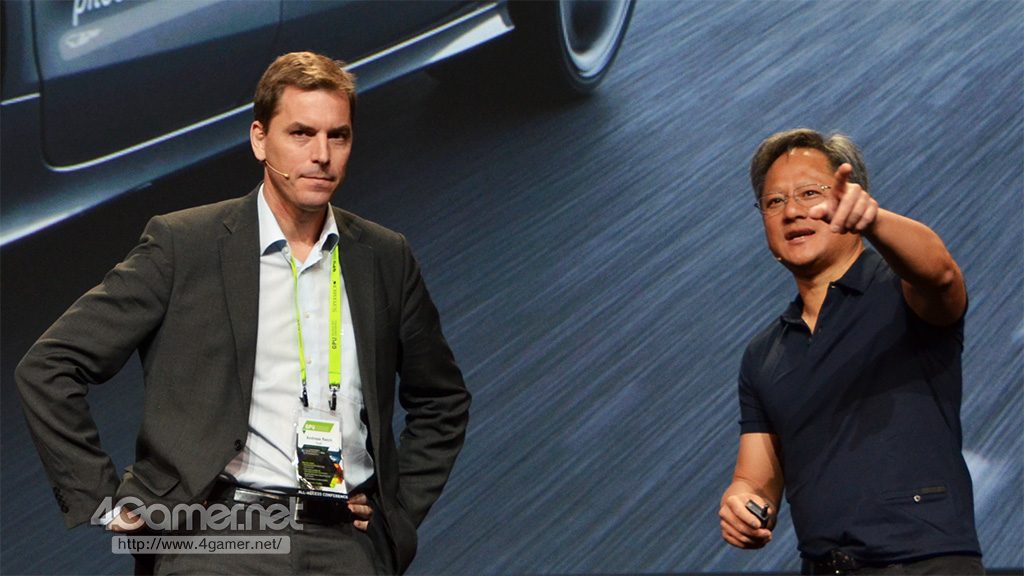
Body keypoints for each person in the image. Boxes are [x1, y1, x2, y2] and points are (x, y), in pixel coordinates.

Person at [15, 51, 471, 575]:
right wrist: (103, 501)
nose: (322, 154)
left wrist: (397, 515)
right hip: (218, 534)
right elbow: (49, 366)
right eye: (301, 133)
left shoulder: (385, 256)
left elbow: (442, 400)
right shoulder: (184, 244)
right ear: (259, 139)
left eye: (338, 136)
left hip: (346, 540)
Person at [719, 129, 984, 575]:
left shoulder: (903, 291)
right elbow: (754, 479)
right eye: (774, 201)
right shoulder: (763, 354)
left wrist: (875, 220)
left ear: (852, 198)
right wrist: (741, 502)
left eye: (809, 193)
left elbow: (940, 274)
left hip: (925, 564)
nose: (792, 211)